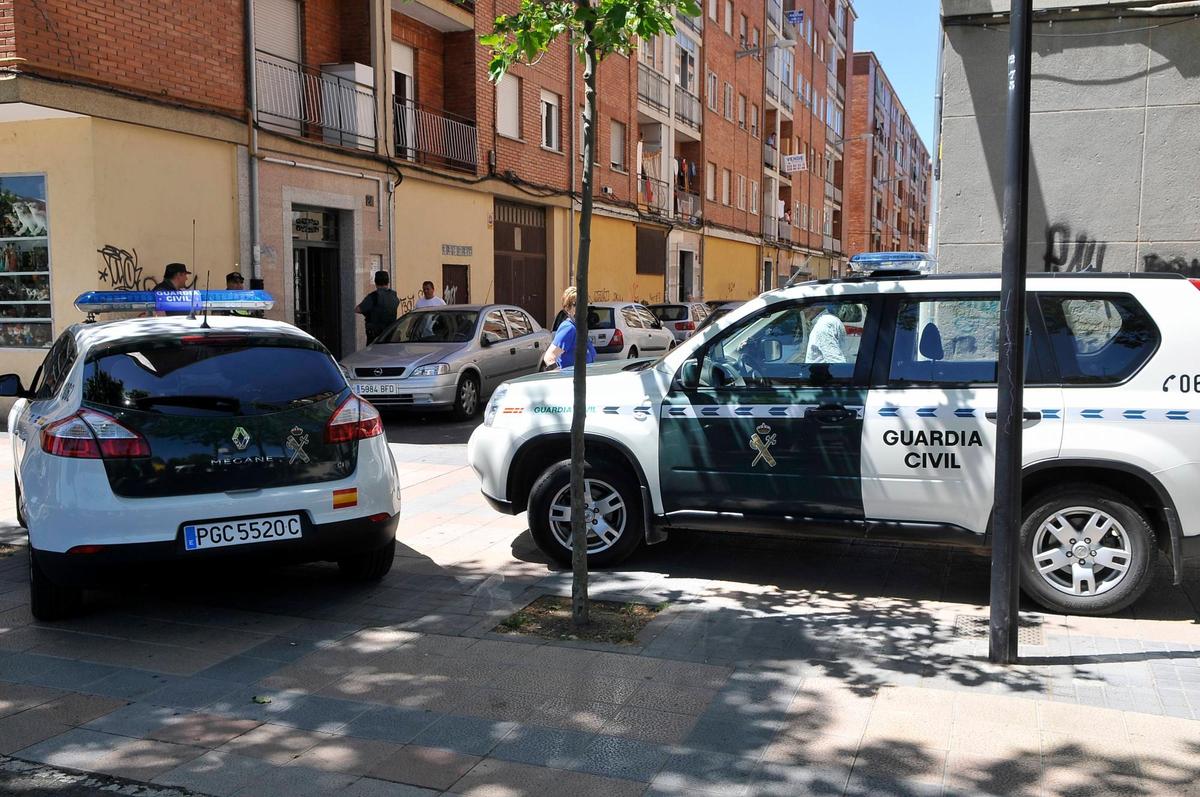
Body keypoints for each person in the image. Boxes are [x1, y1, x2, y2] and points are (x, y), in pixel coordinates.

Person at [543, 287, 596, 371]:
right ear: (567, 308)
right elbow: (549, 357)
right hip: (571, 381)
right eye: (576, 304)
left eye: (584, 303)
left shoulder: (579, 327)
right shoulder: (568, 328)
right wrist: (560, 378)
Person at [356, 270, 400, 344]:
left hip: (375, 337)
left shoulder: (374, 297)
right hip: (390, 335)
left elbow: (358, 309)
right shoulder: (394, 296)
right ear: (388, 282)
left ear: (375, 282)